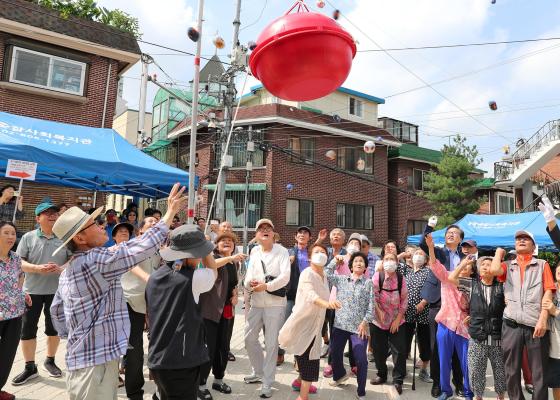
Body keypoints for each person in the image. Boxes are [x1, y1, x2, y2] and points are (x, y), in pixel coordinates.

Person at [50, 183, 187, 400]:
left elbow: (56, 311)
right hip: (95, 364)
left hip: (86, 359)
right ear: (80, 239)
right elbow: (140, 247)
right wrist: (170, 212)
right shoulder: (94, 261)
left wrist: (79, 337)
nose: (101, 225)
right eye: (93, 224)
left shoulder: (75, 265)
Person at [146, 224, 219, 400]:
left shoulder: (154, 277)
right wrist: (207, 250)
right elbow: (213, 272)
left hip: (158, 356)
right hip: (181, 361)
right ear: (189, 255)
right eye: (198, 255)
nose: (200, 259)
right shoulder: (193, 278)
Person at [12, 202, 70, 386]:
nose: (52, 216)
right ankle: (30, 367)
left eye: (54, 213)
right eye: (47, 214)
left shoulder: (65, 237)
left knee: (54, 328)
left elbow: (74, 258)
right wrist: (37, 268)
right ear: (38, 219)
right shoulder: (28, 237)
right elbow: (18, 262)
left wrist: (61, 268)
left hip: (57, 292)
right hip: (31, 291)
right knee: (27, 329)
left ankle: (50, 360)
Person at [490, 230, 554, 400]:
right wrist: (498, 253)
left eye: (526, 238)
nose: (521, 240)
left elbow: (549, 291)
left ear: (534, 246)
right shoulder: (507, 265)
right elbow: (494, 270)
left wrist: (543, 319)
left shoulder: (542, 264)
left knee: (539, 371)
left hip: (536, 324)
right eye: (518, 239)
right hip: (511, 324)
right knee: (511, 370)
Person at [279, 244, 339, 400]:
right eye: (316, 252)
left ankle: (299, 382)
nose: (320, 254)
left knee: (306, 355)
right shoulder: (307, 273)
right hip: (304, 323)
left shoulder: (324, 275)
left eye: (323, 252)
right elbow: (310, 295)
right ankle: (302, 397)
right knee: (309, 360)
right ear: (310, 257)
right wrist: (327, 304)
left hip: (316, 324)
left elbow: (332, 271)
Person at [243, 218, 290, 398]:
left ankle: (267, 381)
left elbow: (285, 276)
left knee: (271, 344)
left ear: (273, 234)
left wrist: (267, 286)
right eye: (261, 228)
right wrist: (250, 284)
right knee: (248, 338)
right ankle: (258, 371)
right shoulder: (254, 251)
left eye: (268, 228)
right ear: (256, 235)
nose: (265, 230)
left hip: (275, 304)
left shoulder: (282, 251)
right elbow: (248, 276)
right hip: (256, 302)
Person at [448, 256, 506, 400]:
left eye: (489, 264)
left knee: (500, 370)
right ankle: (478, 396)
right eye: (483, 264)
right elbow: (451, 278)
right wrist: (464, 264)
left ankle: (501, 396)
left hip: (497, 336)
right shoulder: (472, 284)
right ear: (479, 269)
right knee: (476, 371)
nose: (486, 266)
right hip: (477, 335)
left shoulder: (502, 286)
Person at [419, 217, 465, 398]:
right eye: (448, 233)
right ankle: (437, 382)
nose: (450, 235)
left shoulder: (465, 257)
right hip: (438, 304)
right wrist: (429, 227)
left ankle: (459, 383)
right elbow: (424, 243)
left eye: (454, 234)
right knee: (436, 346)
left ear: (460, 239)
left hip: (459, 307)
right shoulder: (438, 252)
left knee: (457, 347)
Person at [425, 233, 474, 400]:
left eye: (467, 266)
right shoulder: (447, 279)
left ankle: (468, 391)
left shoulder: (474, 285)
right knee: (443, 360)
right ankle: (446, 390)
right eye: (461, 265)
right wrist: (431, 247)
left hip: (463, 328)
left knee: (466, 363)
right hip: (445, 324)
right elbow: (434, 263)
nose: (464, 267)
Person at [198, 232, 245, 400]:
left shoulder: (233, 264)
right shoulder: (212, 258)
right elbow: (212, 265)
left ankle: (218, 379)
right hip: (209, 311)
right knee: (207, 348)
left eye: (230, 241)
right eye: (223, 241)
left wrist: (235, 294)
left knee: (223, 347)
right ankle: (201, 384)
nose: (227, 243)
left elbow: (233, 283)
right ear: (216, 245)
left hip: (226, 311)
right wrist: (230, 259)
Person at [120, 217, 159, 400]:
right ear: (140, 230)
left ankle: (158, 379)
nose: (154, 223)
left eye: (156, 222)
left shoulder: (161, 248)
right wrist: (147, 278)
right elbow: (131, 263)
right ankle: (135, 394)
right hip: (131, 301)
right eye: (150, 221)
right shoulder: (133, 245)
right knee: (134, 348)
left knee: (158, 341)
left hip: (154, 302)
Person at [325, 251, 373, 400]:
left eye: (362, 262)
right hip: (339, 325)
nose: (359, 263)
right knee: (334, 353)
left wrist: (365, 322)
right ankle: (339, 376)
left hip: (359, 328)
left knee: (361, 360)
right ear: (350, 266)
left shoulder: (368, 283)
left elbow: (371, 306)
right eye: (356, 261)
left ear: (365, 267)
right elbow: (326, 273)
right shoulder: (341, 280)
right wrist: (335, 261)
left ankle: (361, 391)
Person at [0, 221, 31, 400]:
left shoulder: (16, 259)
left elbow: (20, 278)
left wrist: (23, 293)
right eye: (6, 233)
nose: (11, 237)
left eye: (13, 233)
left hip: (14, 314)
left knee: (7, 354)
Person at [370, 251, 408, 394]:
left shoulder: (400, 278)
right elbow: (372, 296)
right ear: (382, 261)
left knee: (399, 351)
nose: (389, 261)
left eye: (392, 259)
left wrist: (397, 319)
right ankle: (381, 374)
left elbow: (404, 299)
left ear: (397, 263)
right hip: (378, 321)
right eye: (386, 259)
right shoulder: (377, 276)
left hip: (397, 320)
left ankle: (398, 380)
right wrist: (379, 313)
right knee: (378, 350)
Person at [279, 226, 312, 366]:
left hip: (307, 296)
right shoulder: (288, 252)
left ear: (309, 238)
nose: (302, 235)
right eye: (300, 233)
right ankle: (280, 354)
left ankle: (298, 358)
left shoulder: (312, 253)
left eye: (305, 233)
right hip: (291, 295)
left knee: (302, 328)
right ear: (295, 236)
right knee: (285, 324)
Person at [402, 247, 432, 383]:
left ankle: (424, 370)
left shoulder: (428, 271)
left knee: (424, 341)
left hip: (423, 312)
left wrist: (423, 302)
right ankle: (402, 368)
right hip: (406, 312)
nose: (418, 256)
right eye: (416, 254)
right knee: (404, 340)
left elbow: (432, 288)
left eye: (421, 254)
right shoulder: (405, 270)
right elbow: (389, 262)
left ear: (426, 260)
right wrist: (404, 254)